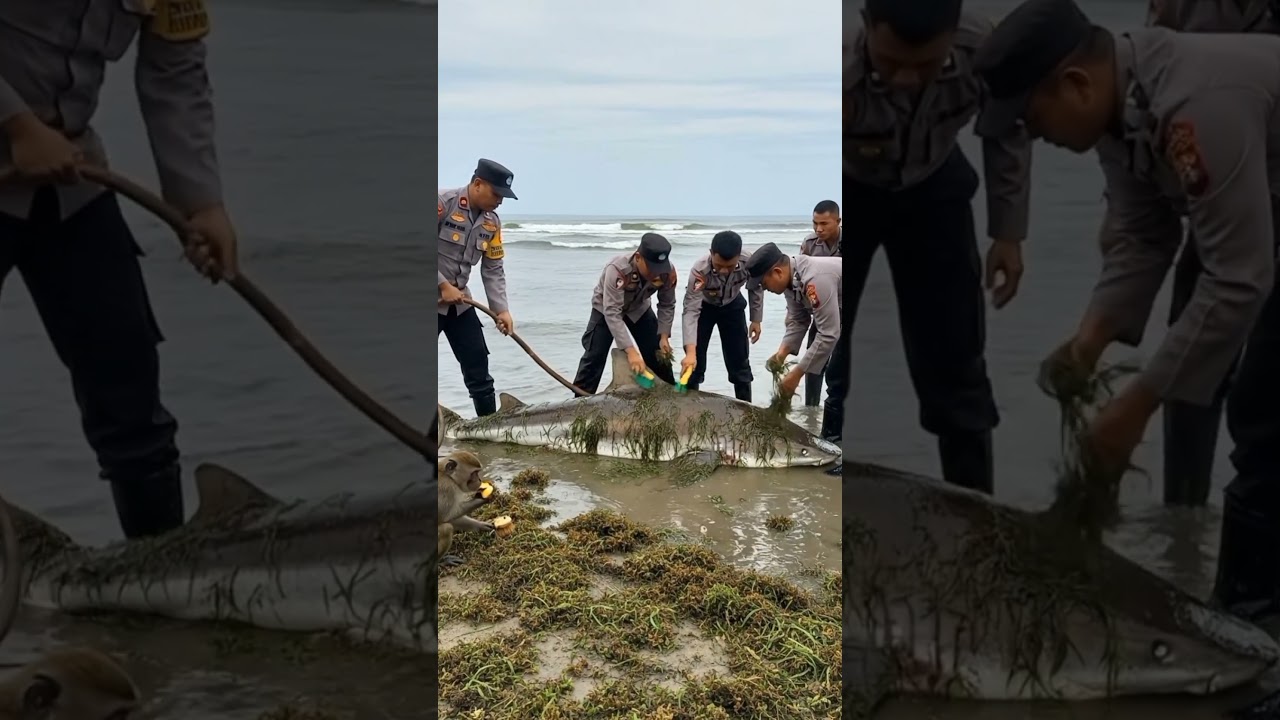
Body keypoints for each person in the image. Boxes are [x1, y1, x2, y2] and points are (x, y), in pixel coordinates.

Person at [974, 0, 1280, 621]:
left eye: (1034, 121)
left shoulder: (1195, 106)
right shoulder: (1122, 108)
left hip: (1263, 228)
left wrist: (1135, 407)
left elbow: (1239, 280)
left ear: (1076, 84)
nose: (1038, 138)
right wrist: (1090, 340)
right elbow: (1144, 236)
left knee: (1265, 414)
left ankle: (1254, 628)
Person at [0, 0, 239, 539]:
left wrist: (200, 202)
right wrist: (15, 122)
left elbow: (175, 74)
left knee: (130, 393)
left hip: (71, 182)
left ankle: (163, 578)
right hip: (16, 153)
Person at [842, 0, 1034, 494]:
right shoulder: (834, 62)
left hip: (933, 183)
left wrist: (1008, 234)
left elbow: (1007, 129)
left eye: (925, 65)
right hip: (848, 190)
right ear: (867, 28)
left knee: (957, 363)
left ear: (953, 35)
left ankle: (974, 511)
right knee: (826, 347)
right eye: (891, 62)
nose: (907, 78)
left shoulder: (987, 48)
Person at [1141, 0, 1275, 507]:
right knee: (1193, 347)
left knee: (1263, 393)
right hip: (1219, 178)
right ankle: (1182, 526)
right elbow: (1151, 75)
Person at [437, 158, 517, 418]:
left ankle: (487, 430)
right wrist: (441, 284)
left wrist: (501, 310)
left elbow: (493, 267)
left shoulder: (492, 222)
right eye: (497, 194)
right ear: (478, 184)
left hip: (460, 306)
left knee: (479, 369)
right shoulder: (442, 203)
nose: (500, 201)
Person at [747, 243, 844, 444]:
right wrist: (782, 353)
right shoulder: (792, 280)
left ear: (777, 272)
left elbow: (828, 334)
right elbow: (799, 320)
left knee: (838, 379)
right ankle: (832, 442)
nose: (764, 289)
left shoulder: (815, 279)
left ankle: (835, 447)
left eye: (764, 284)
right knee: (839, 378)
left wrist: (796, 375)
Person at [571, 233, 679, 394]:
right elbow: (612, 312)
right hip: (606, 308)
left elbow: (667, 304)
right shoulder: (617, 269)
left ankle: (669, 396)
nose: (656, 274)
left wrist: (664, 336)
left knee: (659, 354)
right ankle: (579, 401)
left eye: (659, 269)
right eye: (651, 268)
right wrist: (631, 351)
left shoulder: (667, 272)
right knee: (594, 357)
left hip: (638, 308)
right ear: (638, 257)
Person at [679, 230, 764, 402]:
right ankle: (689, 409)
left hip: (732, 306)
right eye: (719, 266)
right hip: (704, 308)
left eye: (730, 266)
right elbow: (690, 311)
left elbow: (756, 287)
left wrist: (756, 319)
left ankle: (746, 412)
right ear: (711, 254)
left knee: (740, 363)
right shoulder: (699, 270)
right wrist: (690, 351)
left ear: (739, 256)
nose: (724, 271)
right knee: (694, 364)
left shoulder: (750, 262)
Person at [800, 200, 842, 407]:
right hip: (822, 309)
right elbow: (799, 277)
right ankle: (811, 412)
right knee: (814, 360)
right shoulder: (809, 243)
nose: (819, 229)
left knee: (841, 368)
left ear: (838, 221)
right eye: (815, 223)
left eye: (824, 224)